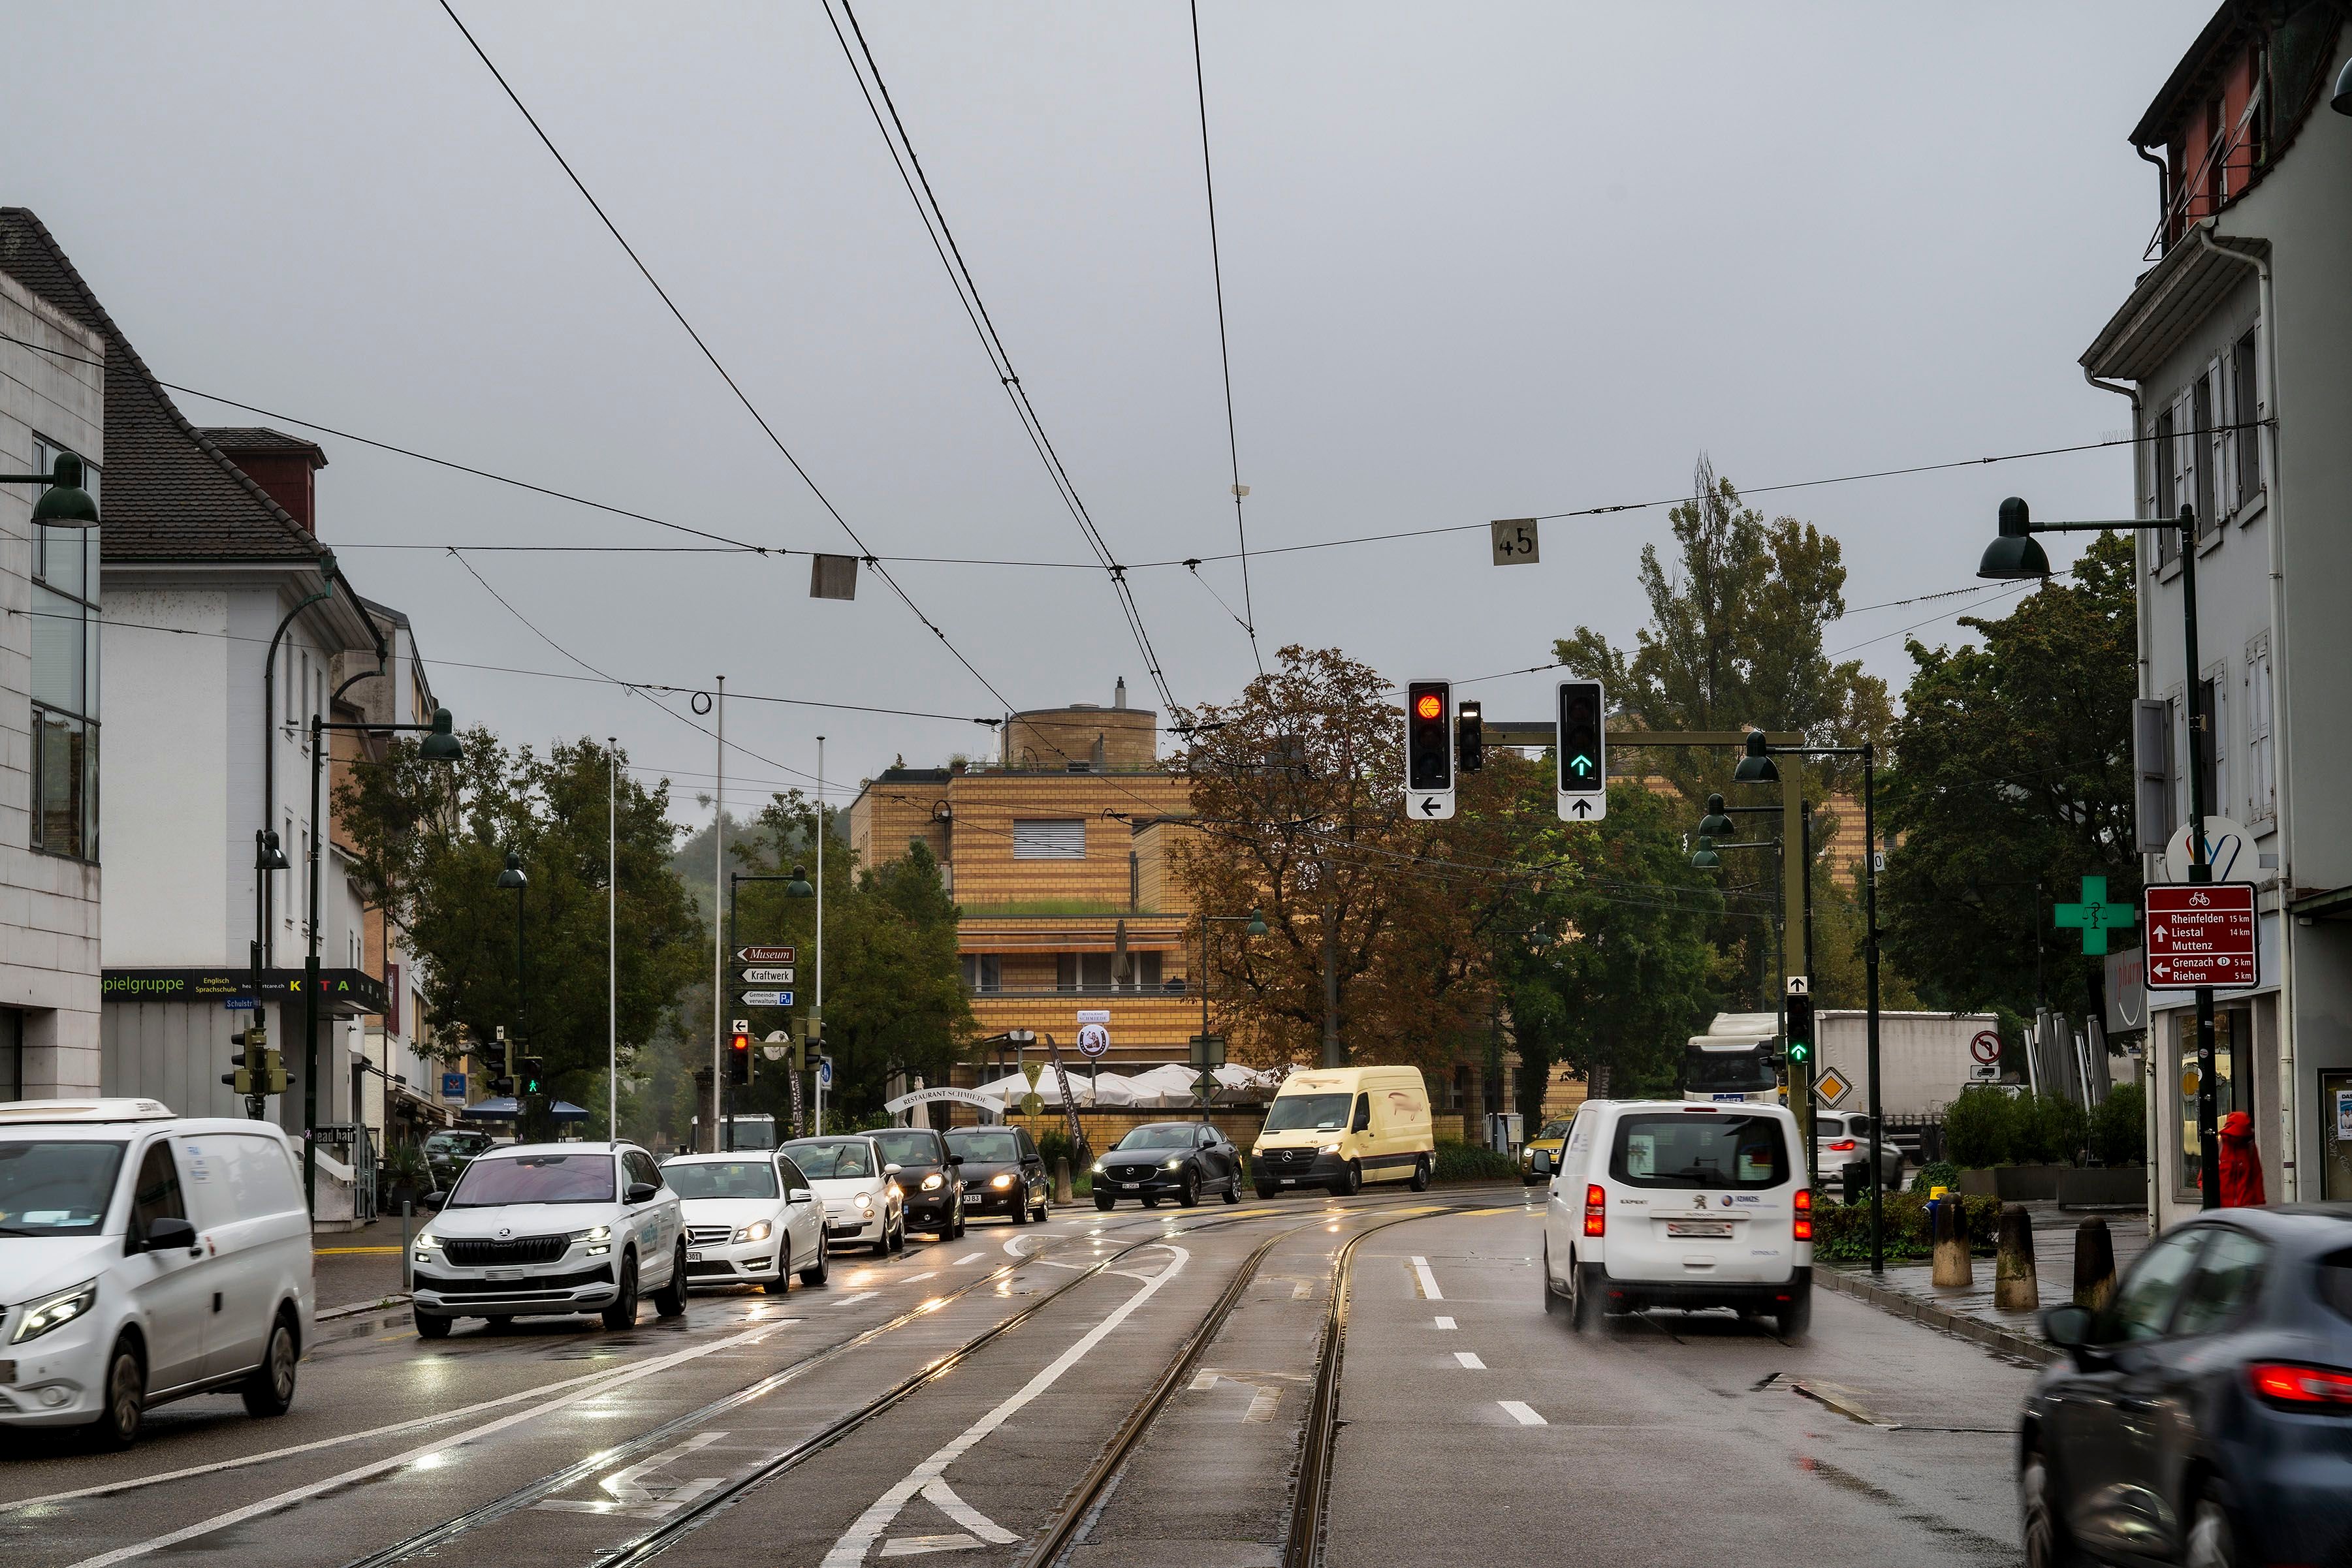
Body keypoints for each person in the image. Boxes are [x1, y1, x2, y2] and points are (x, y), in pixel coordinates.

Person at [2217, 1109, 2266, 1206]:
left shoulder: (2250, 1148)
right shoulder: (2220, 1147)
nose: (2240, 1139)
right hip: (2223, 1210)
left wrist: (2260, 1205)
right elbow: (2203, 1179)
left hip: (2246, 1208)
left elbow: (2257, 1178)